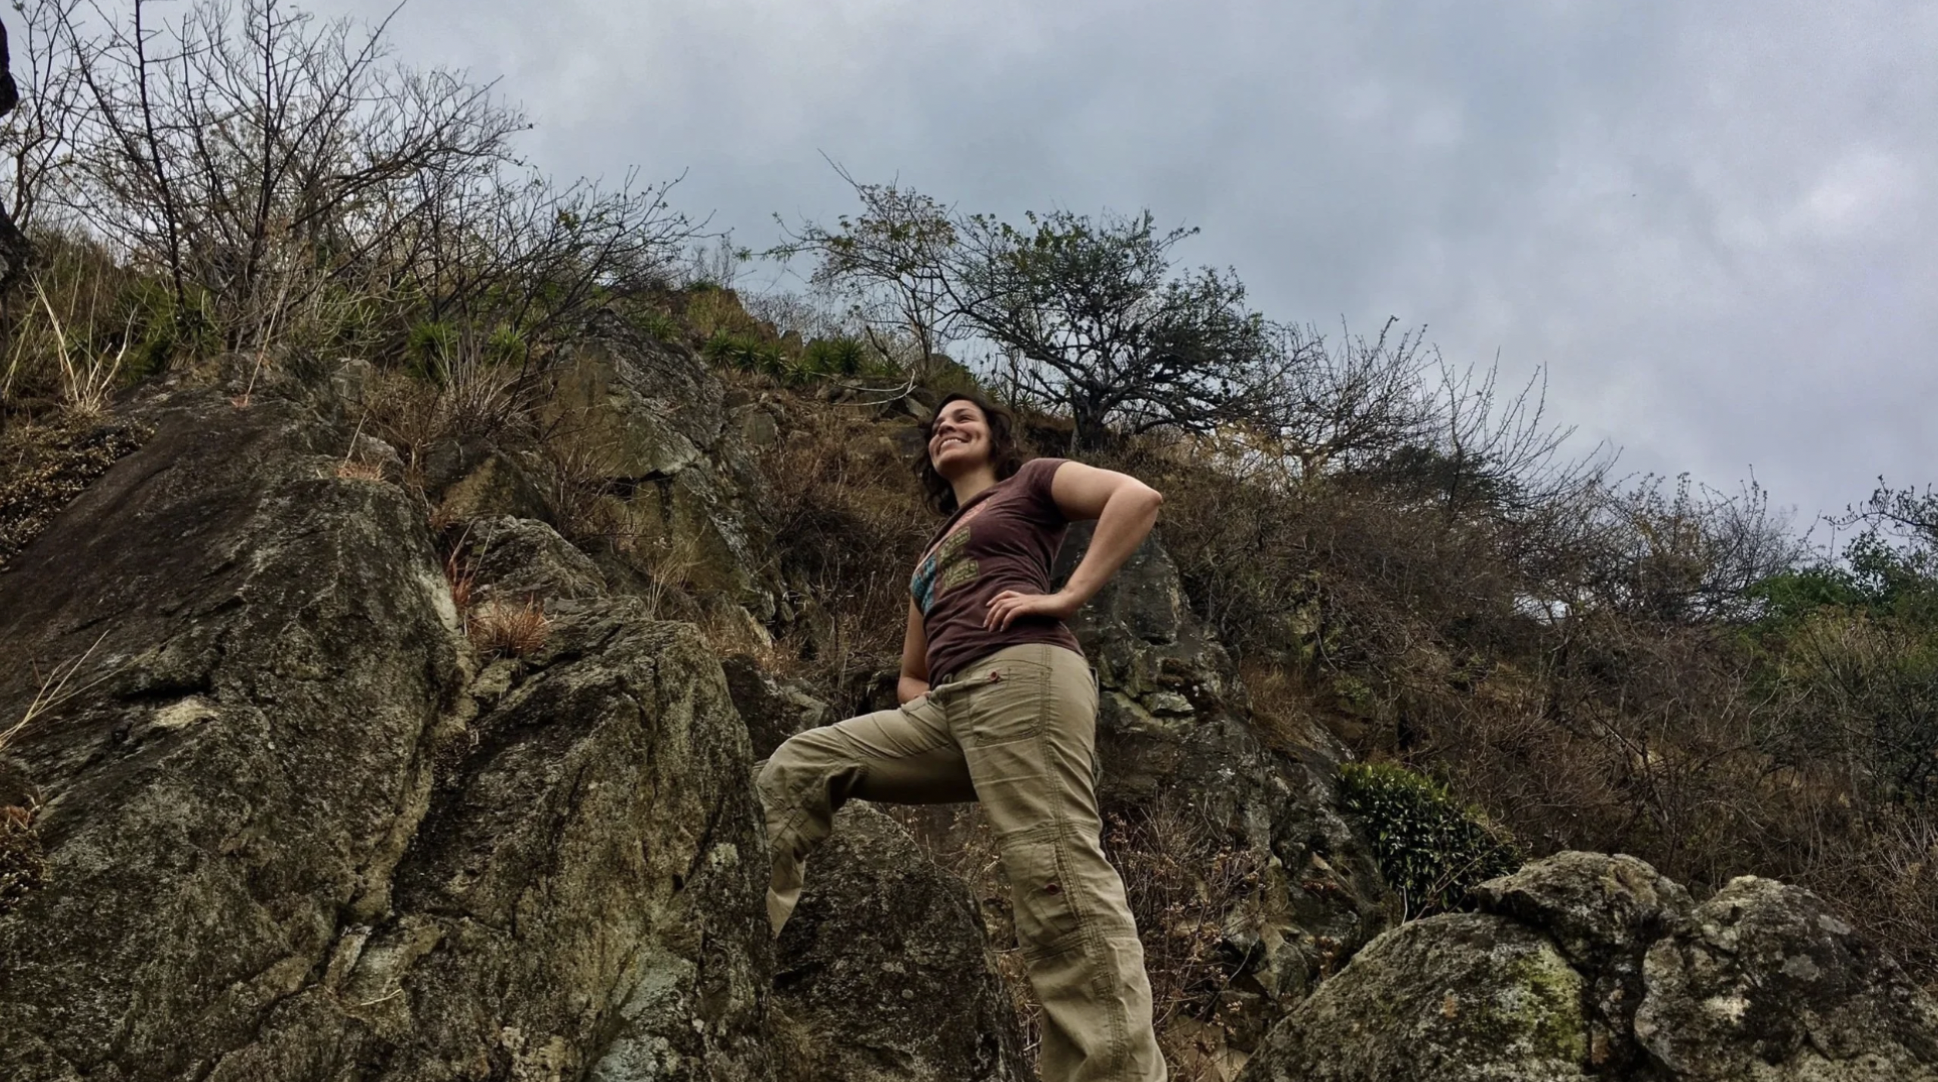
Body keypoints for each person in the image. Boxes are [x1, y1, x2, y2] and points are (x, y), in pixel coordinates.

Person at [757, 391, 1169, 1082]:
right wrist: (938, 707)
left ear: (993, 437)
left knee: (1053, 875)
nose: (947, 426)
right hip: (952, 704)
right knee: (803, 763)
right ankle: (734, 942)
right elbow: (910, 677)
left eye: (963, 418)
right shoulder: (927, 558)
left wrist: (1063, 598)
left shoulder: (1030, 483)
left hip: (1025, 676)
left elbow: (1137, 497)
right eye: (937, 425)